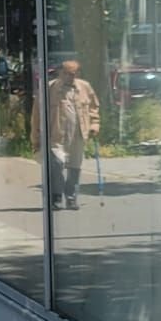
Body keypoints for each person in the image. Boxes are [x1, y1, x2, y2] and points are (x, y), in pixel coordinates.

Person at [45, 58, 100, 210]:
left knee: (75, 167)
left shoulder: (85, 87)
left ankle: (71, 198)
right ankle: (56, 196)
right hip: (57, 136)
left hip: (78, 135)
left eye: (73, 73)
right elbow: (37, 114)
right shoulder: (50, 88)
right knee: (57, 165)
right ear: (60, 73)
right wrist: (36, 137)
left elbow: (94, 108)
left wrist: (95, 124)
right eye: (67, 73)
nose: (71, 76)